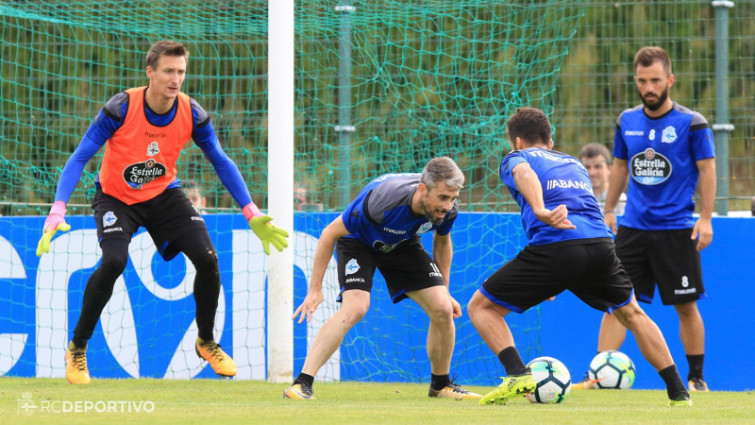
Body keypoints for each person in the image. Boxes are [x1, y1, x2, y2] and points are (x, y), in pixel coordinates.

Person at [35, 40, 290, 385]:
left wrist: (250, 210)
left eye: (181, 72)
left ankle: (206, 341)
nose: (175, 79)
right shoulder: (121, 107)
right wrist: (58, 206)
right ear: (150, 72)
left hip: (165, 195)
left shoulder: (192, 113)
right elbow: (80, 156)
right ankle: (78, 347)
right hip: (116, 199)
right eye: (168, 71)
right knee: (113, 261)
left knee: (208, 259)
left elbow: (220, 160)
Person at [467, 107, 691, 406]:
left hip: (556, 247)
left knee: (481, 307)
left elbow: (523, 173)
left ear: (517, 142)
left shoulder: (517, 158)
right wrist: (547, 280)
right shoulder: (574, 163)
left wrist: (540, 209)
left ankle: (518, 374)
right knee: (633, 314)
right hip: (600, 245)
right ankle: (679, 391)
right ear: (551, 139)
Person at [284, 157, 480, 400]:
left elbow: (442, 242)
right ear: (422, 189)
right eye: (442, 198)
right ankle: (301, 384)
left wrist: (445, 290)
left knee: (442, 308)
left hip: (403, 244)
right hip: (359, 242)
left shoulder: (446, 211)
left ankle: (441, 385)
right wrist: (315, 290)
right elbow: (329, 233)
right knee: (356, 307)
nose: (448, 206)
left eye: (452, 199)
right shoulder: (382, 203)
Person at [593, 46, 715, 392]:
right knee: (615, 304)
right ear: (636, 80)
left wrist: (705, 219)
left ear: (670, 81)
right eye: (643, 81)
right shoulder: (626, 121)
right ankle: (599, 374)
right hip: (632, 229)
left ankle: (696, 378)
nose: (649, 87)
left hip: (676, 230)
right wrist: (609, 209)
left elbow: (708, 170)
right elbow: (619, 167)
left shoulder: (692, 123)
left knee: (686, 306)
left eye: (656, 80)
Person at [579, 143, 626, 215]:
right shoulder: (576, 199)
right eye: (587, 167)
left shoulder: (620, 201)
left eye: (598, 166)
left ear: (609, 168)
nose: (592, 173)